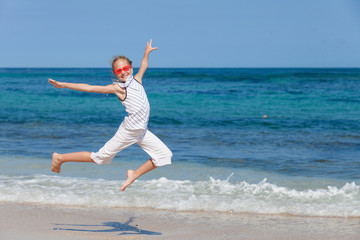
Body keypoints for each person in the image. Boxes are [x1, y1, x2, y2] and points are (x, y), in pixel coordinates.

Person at [48, 39, 172, 191]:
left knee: (164, 155)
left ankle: (132, 175)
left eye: (125, 68)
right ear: (115, 73)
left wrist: (146, 53)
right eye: (119, 71)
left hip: (142, 131)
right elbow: (90, 88)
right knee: (100, 158)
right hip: (129, 131)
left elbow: (144, 65)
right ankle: (60, 157)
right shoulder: (118, 88)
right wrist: (63, 84)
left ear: (131, 68)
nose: (123, 72)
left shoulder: (138, 80)